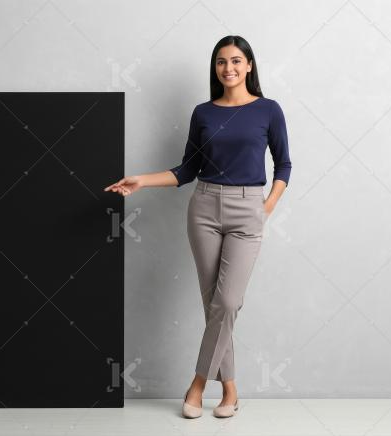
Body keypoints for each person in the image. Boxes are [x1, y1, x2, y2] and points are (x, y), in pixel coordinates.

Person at [104, 35, 291, 418]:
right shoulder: (203, 113)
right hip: (204, 208)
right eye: (221, 61)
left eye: (236, 61)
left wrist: (267, 206)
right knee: (214, 307)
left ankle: (198, 383)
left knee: (227, 302)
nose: (228, 68)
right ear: (215, 68)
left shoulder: (268, 110)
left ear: (249, 66)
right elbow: (187, 170)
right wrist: (141, 180)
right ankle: (231, 391)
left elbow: (284, 164)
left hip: (247, 209)